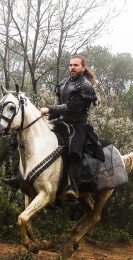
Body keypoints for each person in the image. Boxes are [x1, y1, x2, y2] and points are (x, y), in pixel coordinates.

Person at [41, 55, 104, 199]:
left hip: (79, 126)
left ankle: (73, 187)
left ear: (83, 67)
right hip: (62, 122)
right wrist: (50, 116)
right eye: (70, 65)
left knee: (74, 151)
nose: (72, 68)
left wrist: (50, 109)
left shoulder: (86, 86)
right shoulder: (64, 83)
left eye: (76, 65)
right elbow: (62, 104)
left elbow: (73, 106)